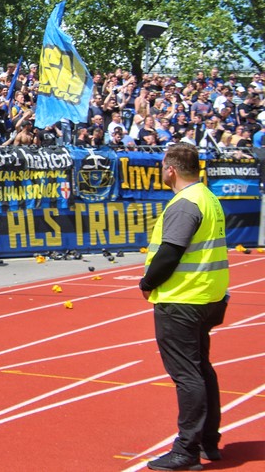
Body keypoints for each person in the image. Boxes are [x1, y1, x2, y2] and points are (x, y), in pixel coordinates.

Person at [139, 143, 229, 471]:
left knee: (187, 374)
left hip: (182, 299)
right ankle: (209, 440)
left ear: (171, 170)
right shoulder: (208, 197)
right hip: (208, 296)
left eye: (163, 167)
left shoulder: (185, 203)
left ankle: (187, 449)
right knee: (201, 368)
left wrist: (147, 283)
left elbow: (170, 252)